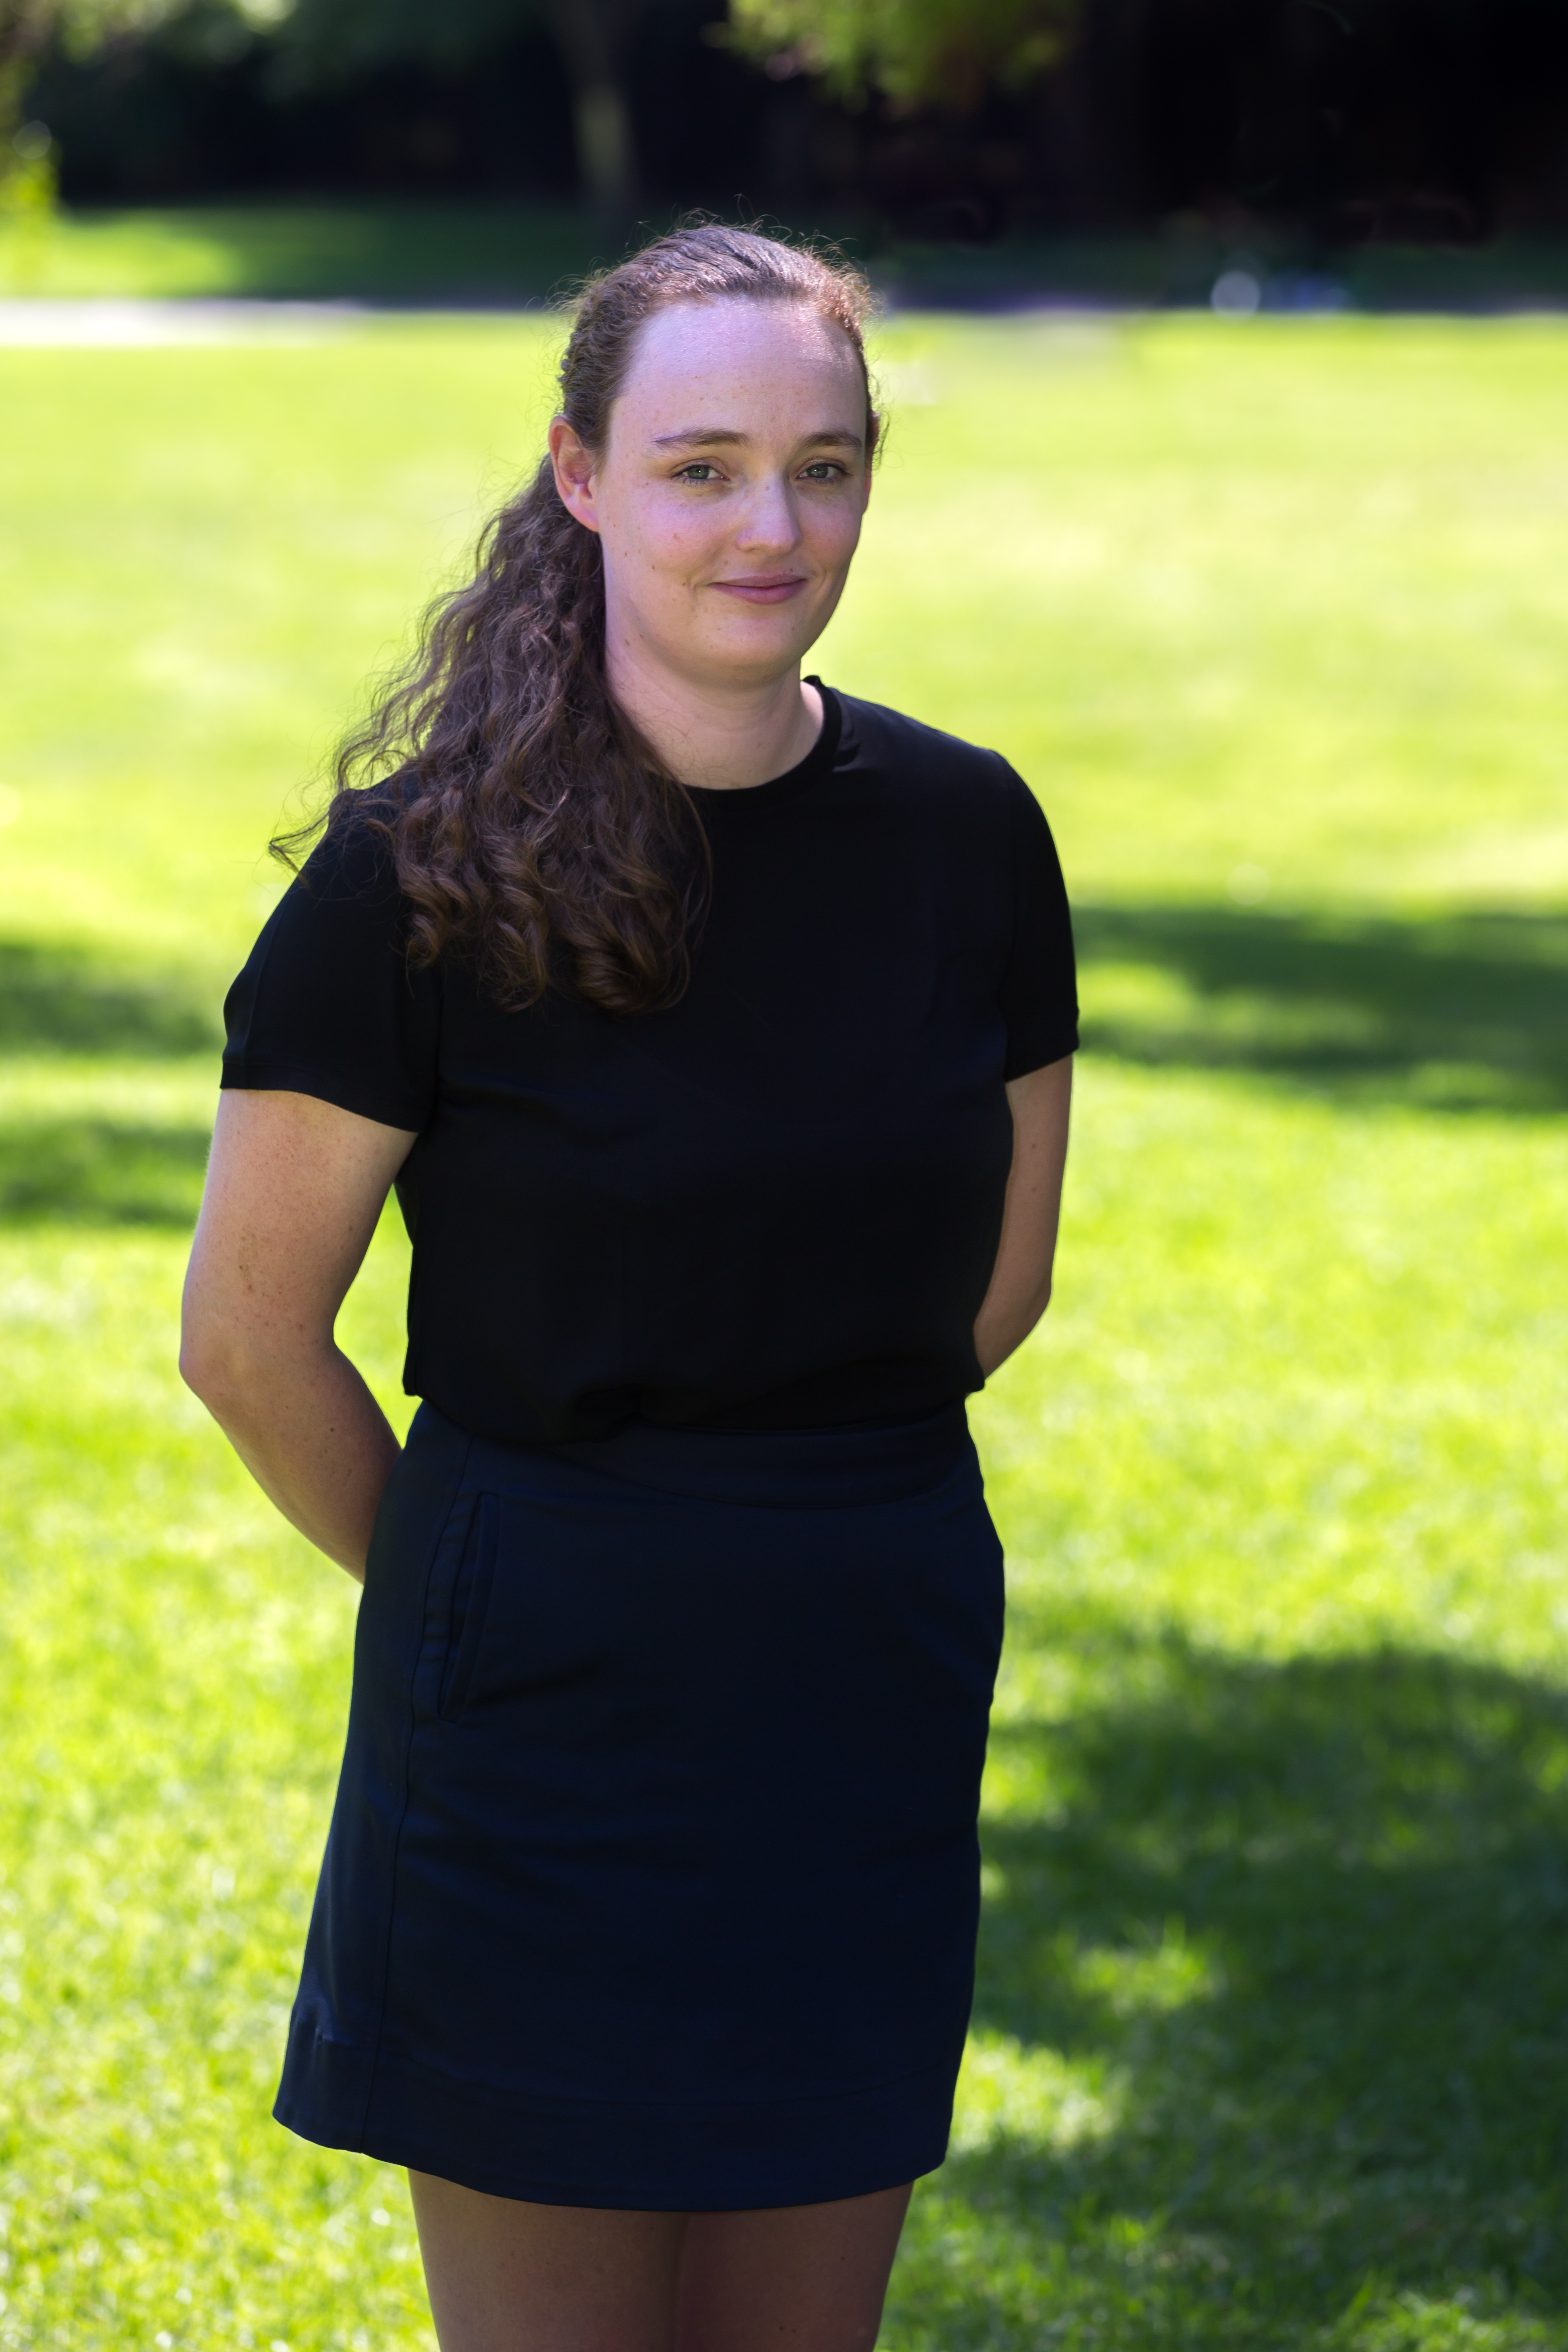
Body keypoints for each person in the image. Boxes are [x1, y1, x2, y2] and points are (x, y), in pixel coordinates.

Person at [180, 222, 1076, 2352]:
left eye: (825, 465)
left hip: (859, 1667)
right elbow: (243, 1335)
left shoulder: (968, 836)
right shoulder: (414, 875)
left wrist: (784, 1505)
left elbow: (1000, 1279)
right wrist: (495, 1581)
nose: (772, 525)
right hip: (538, 1710)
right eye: (701, 466)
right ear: (578, 472)